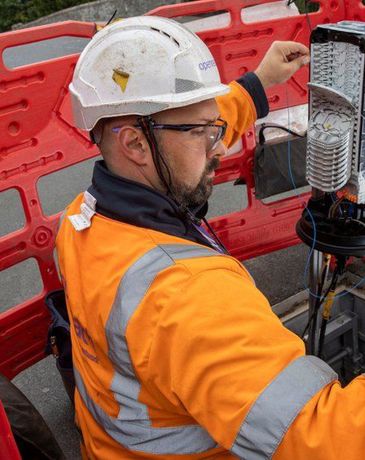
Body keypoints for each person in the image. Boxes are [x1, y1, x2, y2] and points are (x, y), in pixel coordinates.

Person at [57, 15, 364, 460]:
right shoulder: (189, 297)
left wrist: (258, 84)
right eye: (205, 132)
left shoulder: (80, 221)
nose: (220, 146)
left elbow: (181, 129)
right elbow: (323, 437)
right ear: (136, 146)